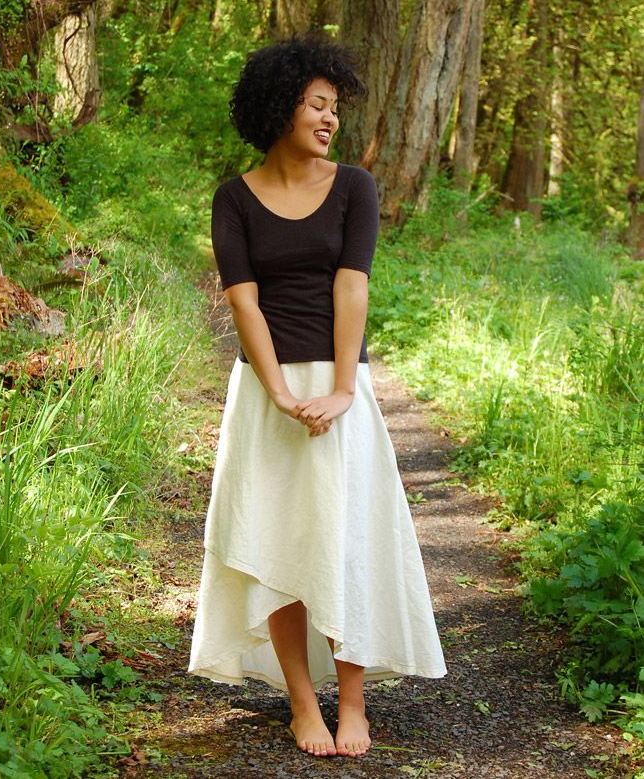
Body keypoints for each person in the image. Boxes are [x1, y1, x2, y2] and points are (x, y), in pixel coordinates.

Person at [188, 35, 446, 759]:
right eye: (317, 105)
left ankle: (353, 700)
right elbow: (242, 301)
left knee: (345, 539)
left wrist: (338, 389)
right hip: (265, 393)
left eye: (336, 108)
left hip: (341, 386)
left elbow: (351, 286)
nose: (330, 119)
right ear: (282, 106)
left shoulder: (354, 187)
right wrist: (277, 393)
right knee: (280, 539)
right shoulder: (233, 198)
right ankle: (304, 701)